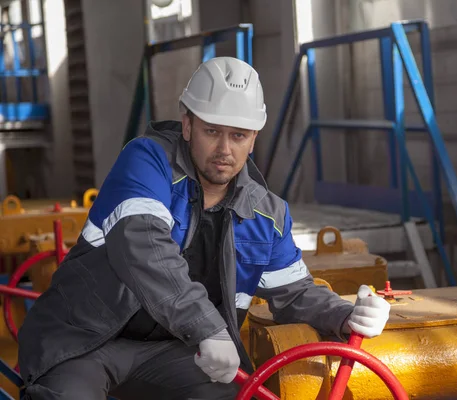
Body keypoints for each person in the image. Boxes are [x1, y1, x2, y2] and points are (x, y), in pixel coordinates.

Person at [17, 56, 391, 400]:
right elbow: (142, 244)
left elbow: (293, 294)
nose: (224, 149)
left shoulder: (267, 215)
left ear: (254, 138)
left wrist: (344, 316)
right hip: (83, 341)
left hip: (173, 351)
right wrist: (209, 329)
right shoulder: (147, 161)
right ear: (187, 124)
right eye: (212, 131)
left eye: (239, 135)